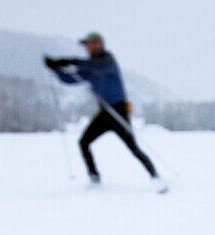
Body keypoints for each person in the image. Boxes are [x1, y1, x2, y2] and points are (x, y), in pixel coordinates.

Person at [44, 33, 161, 188]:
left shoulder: (107, 61)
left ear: (99, 44)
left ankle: (155, 176)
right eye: (86, 45)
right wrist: (55, 68)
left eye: (90, 44)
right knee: (84, 142)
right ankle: (95, 179)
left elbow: (92, 66)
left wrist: (69, 61)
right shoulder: (90, 68)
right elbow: (70, 78)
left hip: (118, 111)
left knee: (133, 147)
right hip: (104, 113)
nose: (87, 48)